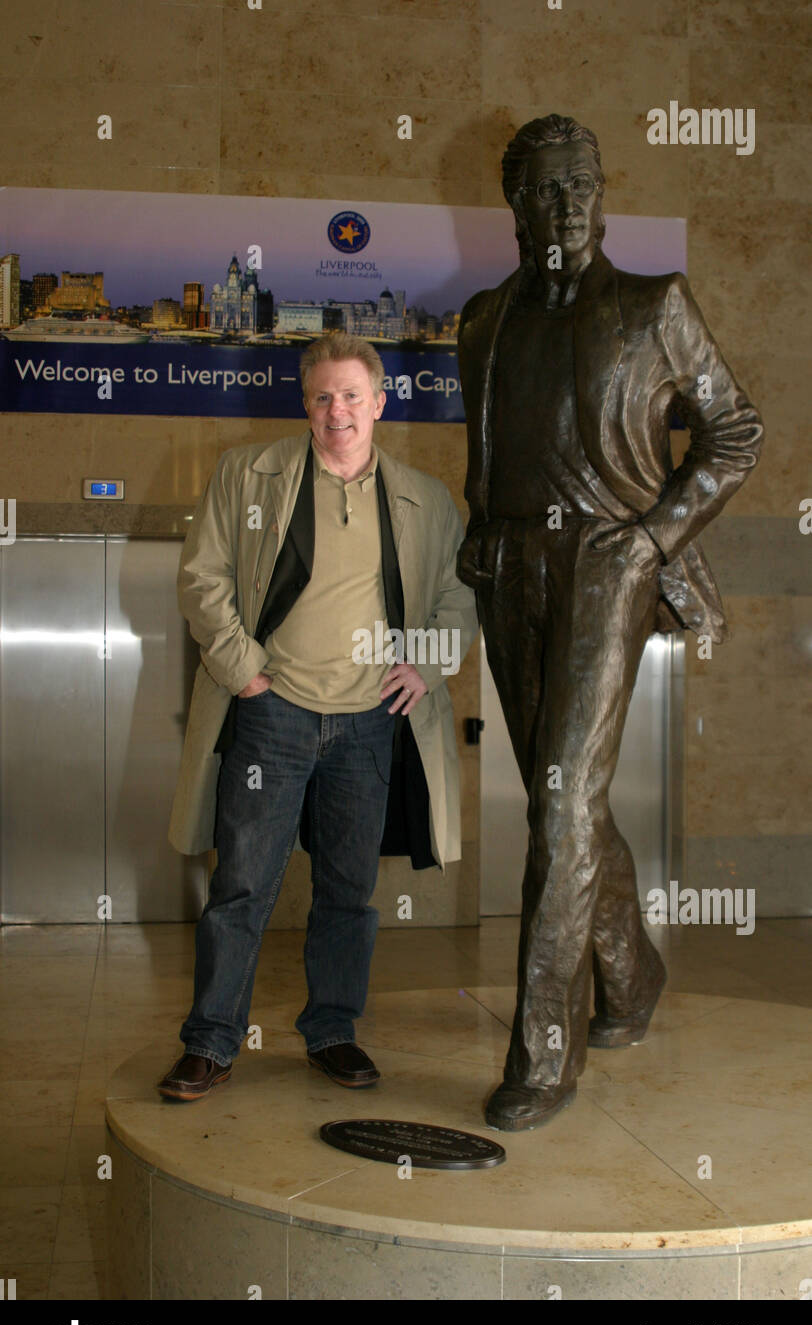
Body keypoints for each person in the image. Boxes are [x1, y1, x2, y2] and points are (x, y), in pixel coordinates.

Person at [457, 114, 763, 1131]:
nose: (564, 203)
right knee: (569, 799)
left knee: (557, 806)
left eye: (579, 183)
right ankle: (630, 980)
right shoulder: (483, 319)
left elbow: (733, 428)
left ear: (601, 190)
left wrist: (653, 539)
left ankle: (547, 1047)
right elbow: (490, 446)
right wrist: (478, 540)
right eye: (544, 187)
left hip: (605, 562)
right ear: (512, 203)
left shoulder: (651, 305)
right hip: (510, 566)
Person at [161, 332, 477, 1099]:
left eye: (351, 395)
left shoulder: (426, 500)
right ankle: (211, 1040)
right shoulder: (249, 475)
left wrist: (427, 663)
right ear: (306, 404)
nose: (338, 410)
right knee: (242, 884)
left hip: (369, 724)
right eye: (322, 396)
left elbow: (459, 598)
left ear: (380, 402)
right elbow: (203, 580)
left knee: (347, 890)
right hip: (274, 714)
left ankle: (332, 1031)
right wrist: (245, 675)